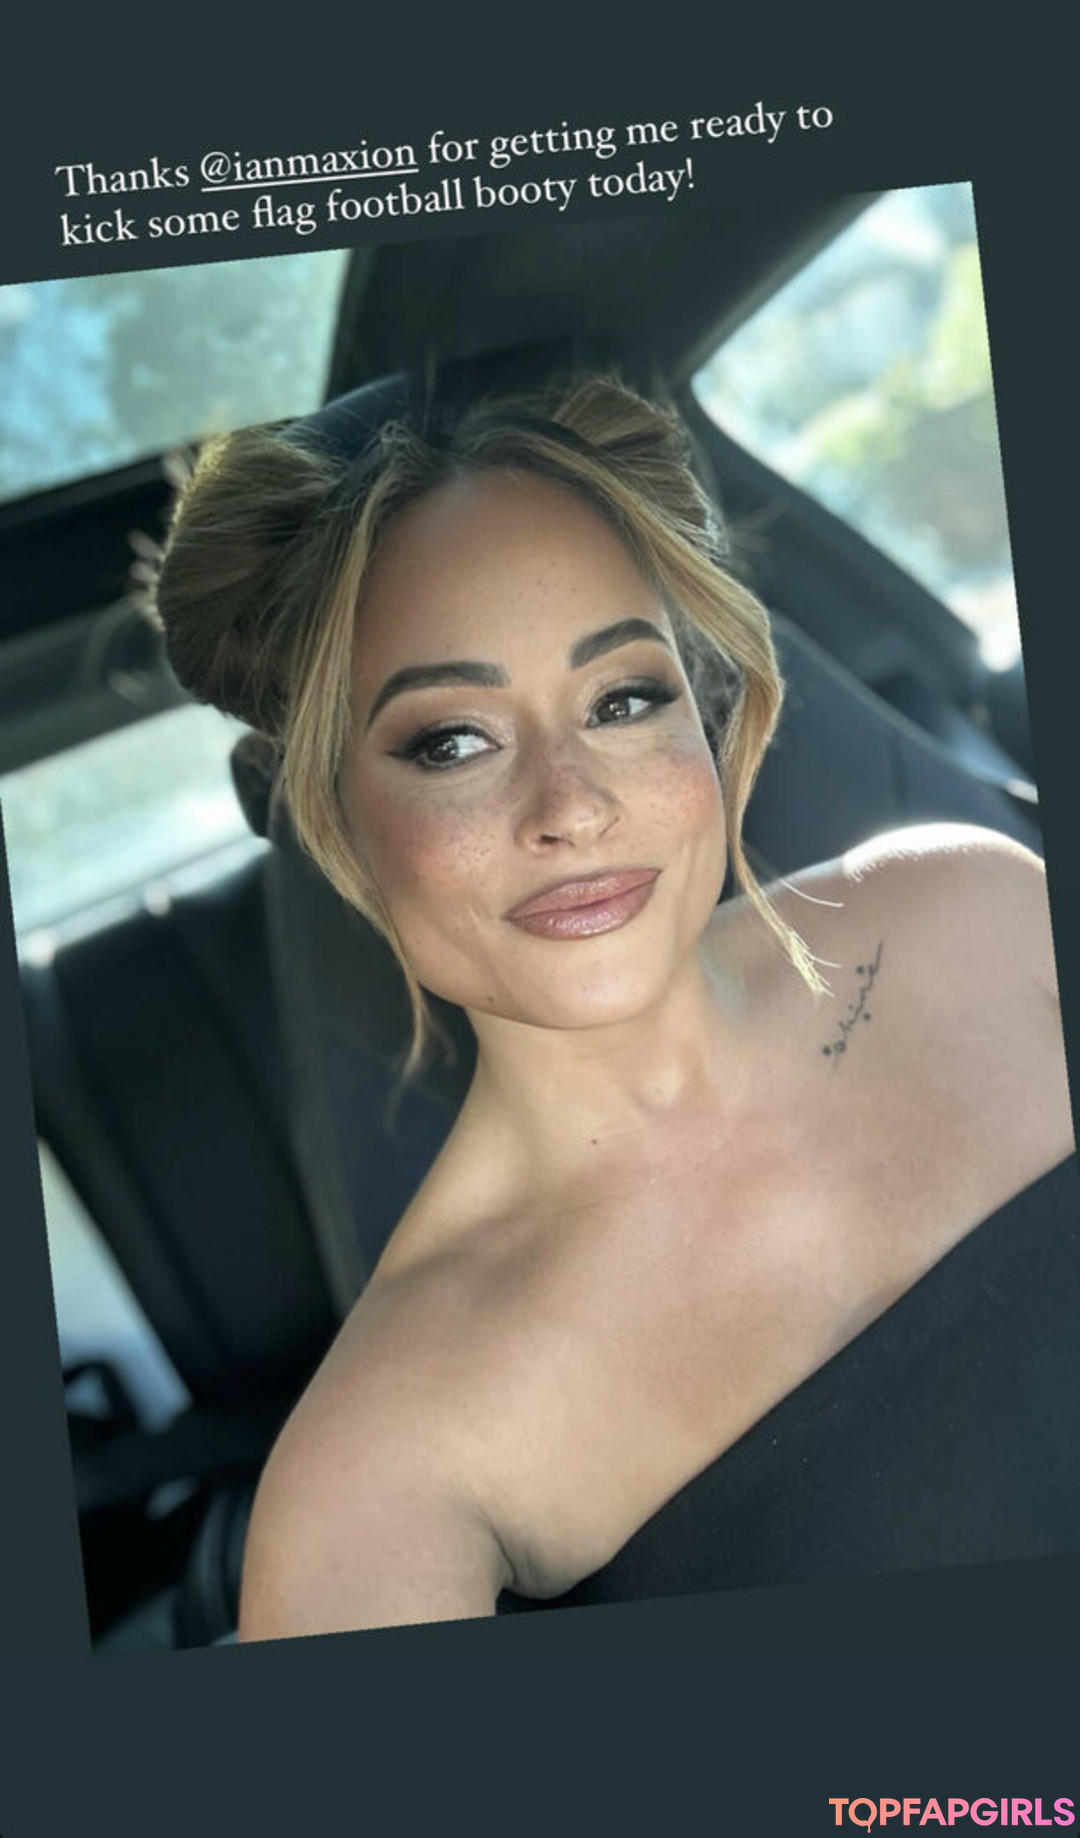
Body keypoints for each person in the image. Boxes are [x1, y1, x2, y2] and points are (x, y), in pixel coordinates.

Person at [154, 371, 1075, 1641]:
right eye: (452, 741)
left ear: (708, 719)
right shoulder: (380, 1471)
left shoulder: (978, 905)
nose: (572, 806)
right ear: (341, 825)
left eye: (624, 699)